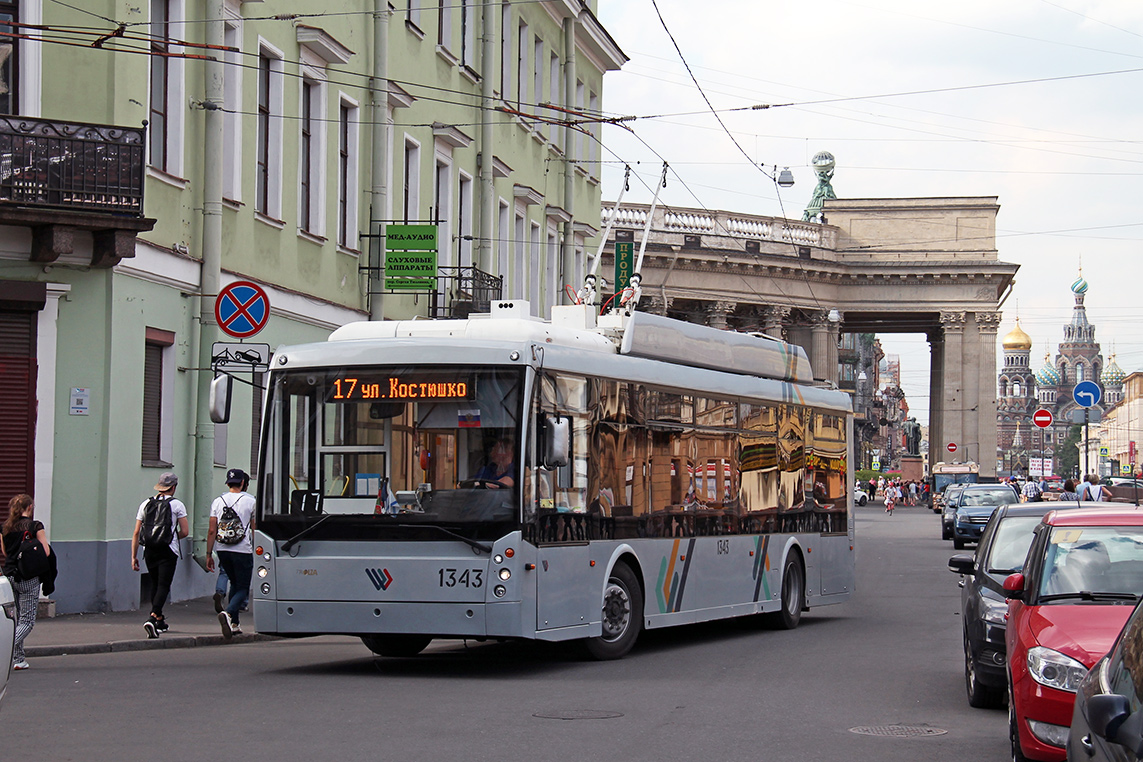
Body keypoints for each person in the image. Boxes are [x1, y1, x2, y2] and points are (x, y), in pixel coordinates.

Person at [131, 472, 189, 638]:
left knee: (155, 583)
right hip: (168, 550)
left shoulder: (145, 504)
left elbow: (136, 532)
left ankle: (159, 620)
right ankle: (152, 617)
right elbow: (185, 531)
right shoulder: (177, 505)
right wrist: (170, 537)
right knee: (164, 585)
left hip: (148, 550)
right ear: (173, 487)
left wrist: (133, 556)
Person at [1, 494, 51, 670]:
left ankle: (18, 659)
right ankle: (5, 647)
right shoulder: (35, 526)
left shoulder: (5, 528)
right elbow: (45, 551)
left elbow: (6, 553)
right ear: (29, 508)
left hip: (9, 576)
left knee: (16, 619)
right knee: (27, 621)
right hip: (28, 577)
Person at [206, 468, 257, 640]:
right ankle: (228, 614)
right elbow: (255, 529)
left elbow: (212, 530)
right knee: (243, 587)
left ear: (227, 483)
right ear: (243, 483)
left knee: (233, 584)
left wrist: (208, 554)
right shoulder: (251, 501)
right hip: (242, 549)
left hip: (222, 550)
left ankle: (234, 624)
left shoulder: (217, 501)